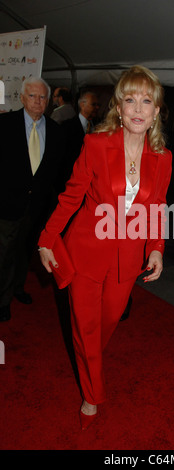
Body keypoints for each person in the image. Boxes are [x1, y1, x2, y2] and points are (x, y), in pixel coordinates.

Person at [38, 65, 172, 430]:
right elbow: (71, 196)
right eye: (131, 100)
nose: (139, 109)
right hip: (85, 252)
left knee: (106, 325)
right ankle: (92, 396)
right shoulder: (96, 145)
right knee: (86, 329)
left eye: (147, 101)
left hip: (126, 261)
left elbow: (157, 206)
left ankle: (89, 364)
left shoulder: (163, 159)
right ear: (119, 106)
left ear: (156, 110)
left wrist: (156, 248)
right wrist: (47, 238)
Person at [0, 77, 66, 322]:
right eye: (32, 96)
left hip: (37, 207)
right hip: (6, 204)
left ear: (48, 101)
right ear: (22, 98)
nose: (38, 102)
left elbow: (58, 172)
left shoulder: (57, 132)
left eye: (42, 97)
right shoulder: (5, 124)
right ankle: (2, 299)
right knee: (4, 253)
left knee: (24, 252)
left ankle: (18, 288)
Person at [60, 91, 100, 184]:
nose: (97, 107)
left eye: (98, 105)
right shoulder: (67, 127)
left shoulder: (101, 127)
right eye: (93, 104)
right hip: (71, 180)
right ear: (82, 105)